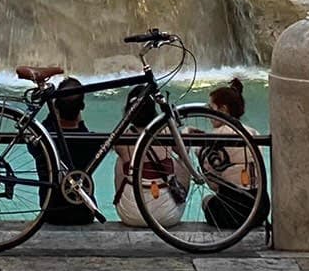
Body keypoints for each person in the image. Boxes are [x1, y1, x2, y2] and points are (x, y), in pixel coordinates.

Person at [112, 94, 186, 227]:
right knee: (182, 159)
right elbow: (183, 152)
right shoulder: (167, 131)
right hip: (168, 216)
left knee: (121, 161)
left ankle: (121, 198)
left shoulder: (123, 137)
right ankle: (180, 196)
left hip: (130, 215)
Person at [200, 78, 261, 230]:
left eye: (211, 108)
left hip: (232, 213)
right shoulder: (254, 133)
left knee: (206, 200)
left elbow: (213, 185)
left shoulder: (215, 138)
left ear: (223, 110)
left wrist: (198, 151)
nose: (208, 114)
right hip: (260, 211)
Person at [41, 79, 101, 226]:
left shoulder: (43, 140)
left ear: (56, 106)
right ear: (82, 107)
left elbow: (46, 126)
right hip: (84, 214)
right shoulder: (91, 142)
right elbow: (83, 132)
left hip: (50, 212)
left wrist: (54, 111)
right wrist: (80, 123)